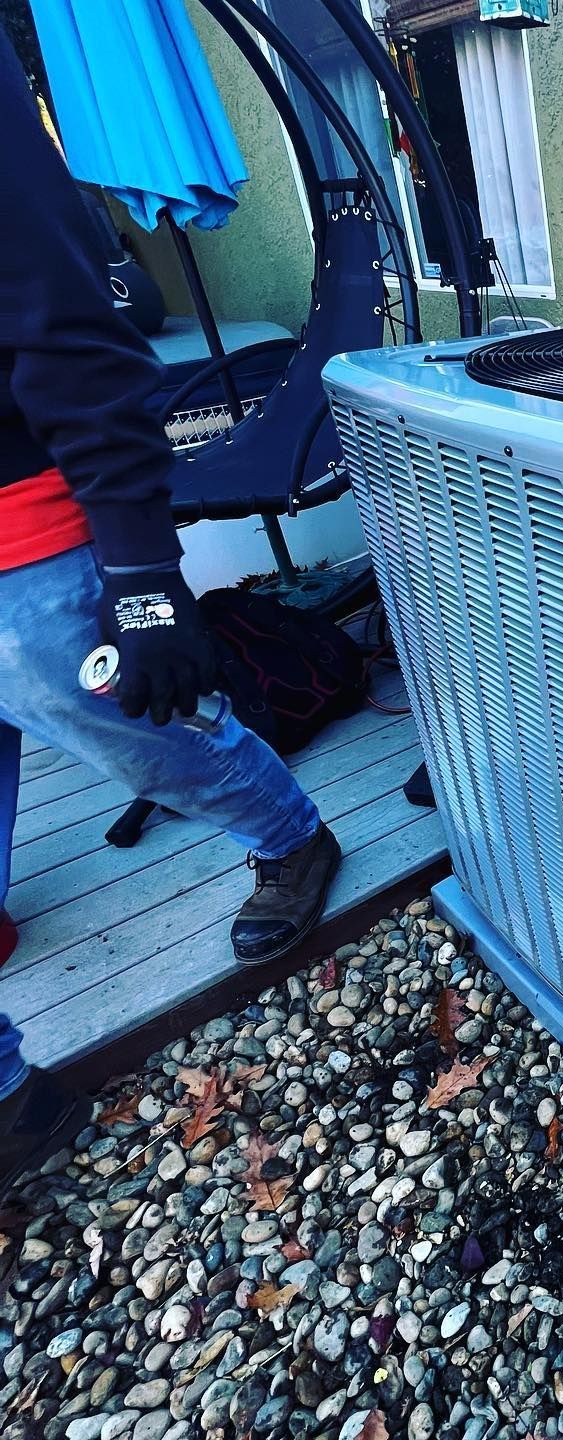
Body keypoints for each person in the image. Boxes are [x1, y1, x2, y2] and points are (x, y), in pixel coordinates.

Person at [0, 30, 341, 1187]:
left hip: (21, 522)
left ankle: (291, 835)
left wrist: (143, 576)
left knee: (145, 736)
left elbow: (66, 316)